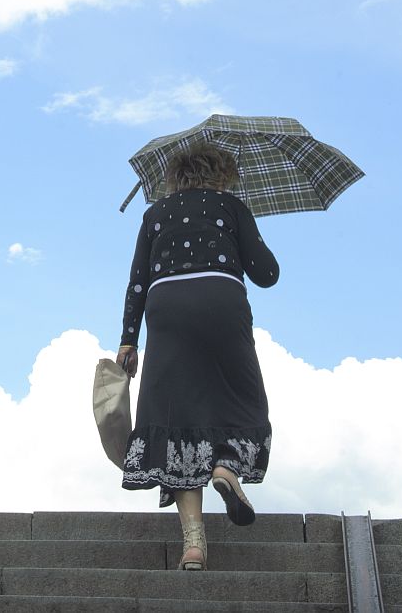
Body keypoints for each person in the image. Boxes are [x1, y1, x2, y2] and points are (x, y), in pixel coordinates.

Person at [117, 144, 279, 571]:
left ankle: (193, 544)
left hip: (166, 306)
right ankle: (226, 466)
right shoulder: (231, 206)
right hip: (220, 298)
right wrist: (244, 234)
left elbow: (137, 281)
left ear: (175, 176)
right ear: (222, 174)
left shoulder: (155, 214)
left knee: (175, 419)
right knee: (241, 398)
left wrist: (128, 341)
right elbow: (267, 275)